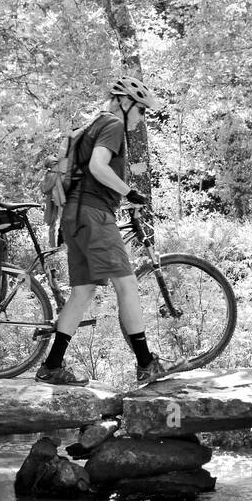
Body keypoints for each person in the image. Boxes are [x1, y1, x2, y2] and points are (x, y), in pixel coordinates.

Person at [36, 76, 170, 386]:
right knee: (127, 285)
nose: (142, 117)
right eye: (141, 110)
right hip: (93, 216)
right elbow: (98, 167)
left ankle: (52, 366)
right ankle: (146, 363)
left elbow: (90, 172)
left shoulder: (95, 123)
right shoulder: (112, 125)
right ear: (125, 104)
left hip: (75, 217)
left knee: (83, 292)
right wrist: (129, 192)